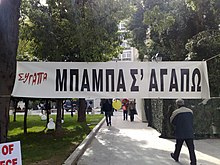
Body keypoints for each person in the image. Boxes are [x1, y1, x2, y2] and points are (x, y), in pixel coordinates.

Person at [170, 99, 197, 165]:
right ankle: (193, 162)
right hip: (189, 131)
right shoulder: (190, 111)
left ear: (177, 104)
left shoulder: (176, 112)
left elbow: (172, 121)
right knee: (191, 148)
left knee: (178, 146)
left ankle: (176, 156)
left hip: (180, 132)